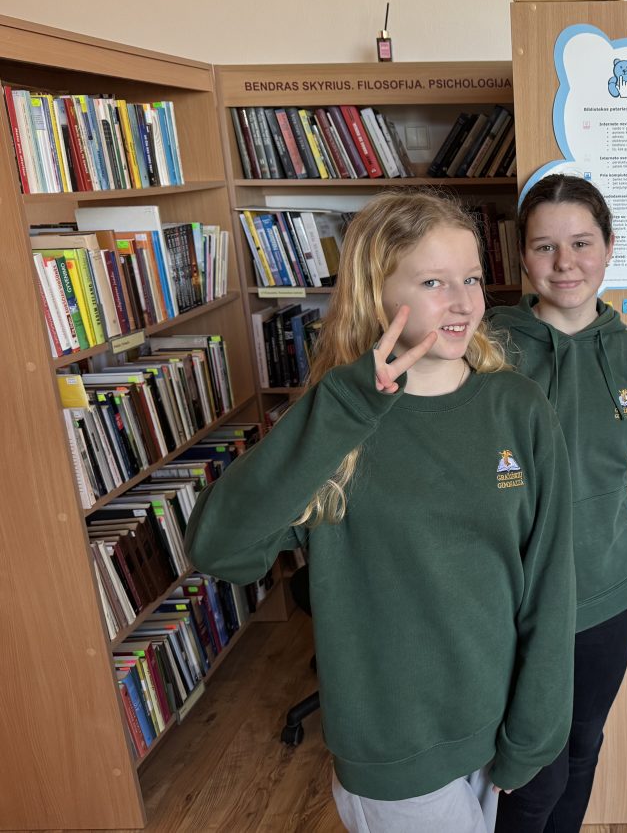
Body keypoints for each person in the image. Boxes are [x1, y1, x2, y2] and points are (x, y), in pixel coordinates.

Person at [185, 191, 576, 833]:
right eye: (433, 282)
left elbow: (550, 582)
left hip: (495, 725)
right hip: (395, 750)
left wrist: (533, 732)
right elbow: (219, 549)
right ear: (376, 294)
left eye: (473, 278)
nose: (464, 303)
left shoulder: (518, 406)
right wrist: (341, 409)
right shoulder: (337, 422)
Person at [487, 174, 627, 833]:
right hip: (511, 598)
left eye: (582, 243)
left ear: (609, 247)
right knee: (531, 771)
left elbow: (616, 458)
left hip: (606, 591)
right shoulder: (486, 349)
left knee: (583, 749)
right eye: (545, 247)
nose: (565, 264)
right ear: (522, 256)